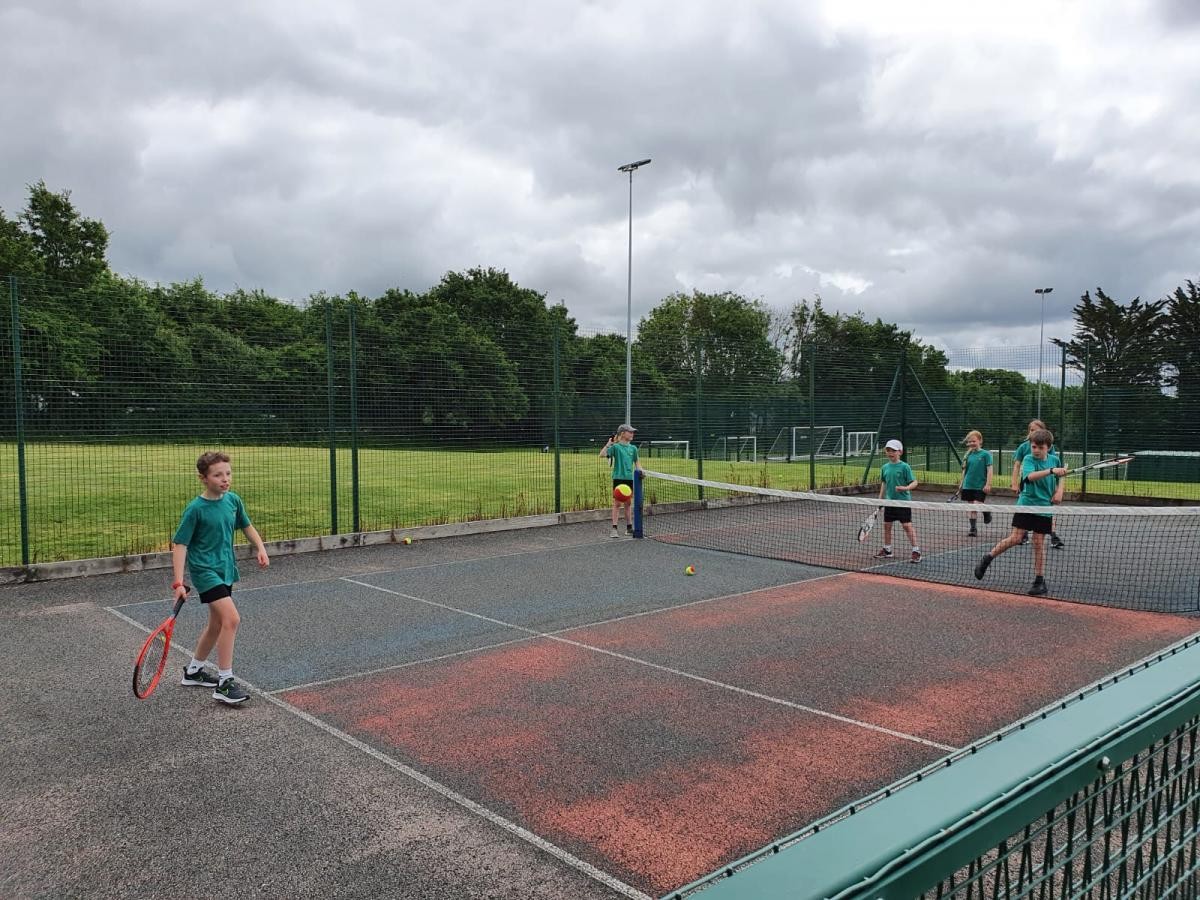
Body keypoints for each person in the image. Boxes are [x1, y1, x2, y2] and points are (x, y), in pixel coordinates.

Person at [172, 451, 269, 706]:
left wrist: (260, 547)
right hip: (205, 571)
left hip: (226, 569)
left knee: (217, 624)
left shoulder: (233, 501)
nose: (225, 479)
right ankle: (225, 682)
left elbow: (246, 526)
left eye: (228, 473)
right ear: (203, 478)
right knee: (232, 618)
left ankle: (193, 672)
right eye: (218, 475)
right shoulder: (196, 509)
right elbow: (180, 544)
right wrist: (179, 582)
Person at [975, 427, 1065, 596]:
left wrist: (1059, 491)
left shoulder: (1055, 460)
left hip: (1044, 506)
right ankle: (987, 558)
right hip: (1026, 504)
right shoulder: (1029, 459)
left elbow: (1061, 478)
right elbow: (1030, 477)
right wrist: (1052, 471)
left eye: (1041, 447)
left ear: (1048, 447)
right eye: (1034, 446)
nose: (1036, 450)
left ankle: (1039, 581)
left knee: (1038, 542)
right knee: (1016, 538)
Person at [1011, 419, 1066, 549]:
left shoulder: (1050, 453)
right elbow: (1017, 465)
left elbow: (1055, 469)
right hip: (1028, 484)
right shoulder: (1024, 448)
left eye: (1035, 430)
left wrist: (1058, 490)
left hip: (1045, 490)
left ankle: (1053, 534)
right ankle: (1023, 533)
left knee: (1045, 509)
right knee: (1026, 506)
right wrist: (1014, 483)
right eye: (1031, 430)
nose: (1032, 432)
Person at [874, 439, 922, 563]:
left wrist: (905, 488)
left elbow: (914, 482)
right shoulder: (884, 467)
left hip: (903, 502)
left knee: (907, 526)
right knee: (887, 526)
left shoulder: (905, 467)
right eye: (888, 450)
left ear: (900, 452)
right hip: (889, 502)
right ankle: (887, 550)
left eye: (893, 451)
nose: (890, 453)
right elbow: (884, 483)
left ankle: (916, 551)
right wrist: (881, 498)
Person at [601, 424, 642, 538]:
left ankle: (629, 528)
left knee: (628, 503)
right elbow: (602, 454)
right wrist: (609, 444)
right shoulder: (616, 447)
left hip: (629, 479)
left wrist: (640, 472)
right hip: (618, 478)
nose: (632, 434)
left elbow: (637, 462)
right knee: (617, 504)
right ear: (623, 433)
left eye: (633, 432)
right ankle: (614, 528)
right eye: (630, 432)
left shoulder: (633, 448)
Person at [958, 430, 994, 537]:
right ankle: (973, 528)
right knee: (971, 506)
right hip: (968, 485)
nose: (971, 443)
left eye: (974, 441)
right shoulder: (967, 455)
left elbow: (990, 470)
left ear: (980, 441)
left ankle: (986, 511)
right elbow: (964, 471)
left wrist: (988, 484)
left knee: (977, 504)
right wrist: (961, 484)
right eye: (969, 442)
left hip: (980, 486)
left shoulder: (986, 454)